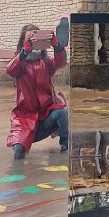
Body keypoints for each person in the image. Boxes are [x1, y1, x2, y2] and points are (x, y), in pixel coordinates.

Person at [6, 20, 69, 160]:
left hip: (46, 117)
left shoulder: (45, 62)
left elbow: (61, 63)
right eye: (30, 39)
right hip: (25, 120)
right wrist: (24, 52)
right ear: (23, 42)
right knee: (19, 151)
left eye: (36, 39)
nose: (33, 42)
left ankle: (66, 145)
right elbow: (9, 70)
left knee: (63, 111)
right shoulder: (19, 62)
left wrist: (57, 45)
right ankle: (22, 142)